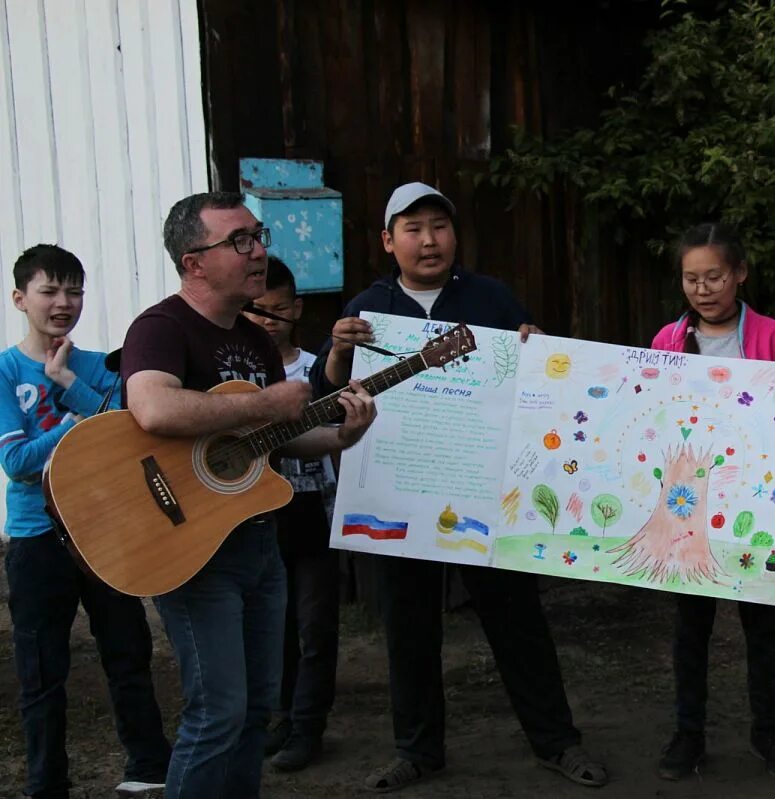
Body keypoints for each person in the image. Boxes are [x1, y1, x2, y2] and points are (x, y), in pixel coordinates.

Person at [309, 181, 608, 792]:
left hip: (482, 491)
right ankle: (417, 750)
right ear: (388, 241)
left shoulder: (490, 299)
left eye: (439, 226)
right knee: (409, 626)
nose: (428, 240)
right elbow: (326, 395)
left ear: (454, 235)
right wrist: (340, 355)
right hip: (399, 491)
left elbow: (540, 384)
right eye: (412, 229)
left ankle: (557, 741)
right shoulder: (367, 308)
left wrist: (543, 352)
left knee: (516, 619)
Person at [120, 191, 377, 798]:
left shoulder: (256, 342)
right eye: (239, 241)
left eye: (258, 236)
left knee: (256, 712)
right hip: (192, 545)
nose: (259, 250)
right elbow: (152, 406)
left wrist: (342, 433)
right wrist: (264, 402)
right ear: (193, 262)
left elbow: (276, 440)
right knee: (218, 714)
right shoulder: (161, 327)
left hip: (259, 542)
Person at [0, 244, 172, 799]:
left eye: (74, 291)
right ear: (20, 298)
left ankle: (149, 768)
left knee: (127, 652)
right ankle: (47, 783)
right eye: (49, 291)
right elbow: (20, 463)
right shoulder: (4, 371)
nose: (63, 303)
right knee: (41, 671)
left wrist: (72, 385)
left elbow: (130, 433)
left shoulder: (102, 365)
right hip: (36, 537)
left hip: (108, 528)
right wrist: (78, 415)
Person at [648, 222, 775, 782]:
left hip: (754, 499)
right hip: (687, 502)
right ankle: (688, 734)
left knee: (762, 622)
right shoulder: (667, 339)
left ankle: (768, 732)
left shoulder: (772, 335)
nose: (703, 288)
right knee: (692, 625)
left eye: (714, 275)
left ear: (739, 273)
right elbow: (657, 416)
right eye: (691, 278)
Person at [243, 256, 340, 772]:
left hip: (314, 511)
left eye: (278, 311)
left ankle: (308, 727)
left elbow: (337, 410)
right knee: (273, 626)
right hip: (257, 511)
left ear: (297, 309)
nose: (267, 320)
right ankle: (278, 717)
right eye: (256, 311)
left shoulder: (317, 368)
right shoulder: (238, 374)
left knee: (316, 625)